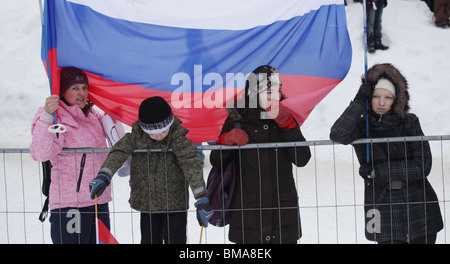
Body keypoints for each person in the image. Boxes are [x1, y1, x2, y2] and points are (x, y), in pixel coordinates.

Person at [330, 63, 443, 244]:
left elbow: (423, 164)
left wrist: (378, 172)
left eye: (388, 97)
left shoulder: (410, 122)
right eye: (375, 96)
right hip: (382, 205)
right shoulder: (361, 127)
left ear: (397, 99)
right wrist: (359, 101)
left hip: (419, 207)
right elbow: (337, 134)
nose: (381, 102)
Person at [89, 96, 212, 244]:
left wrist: (201, 198)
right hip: (147, 204)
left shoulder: (179, 140)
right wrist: (104, 175)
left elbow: (192, 166)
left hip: (175, 205)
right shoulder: (136, 137)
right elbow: (118, 152)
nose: (158, 136)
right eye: (153, 133)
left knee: (176, 240)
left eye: (163, 131)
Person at [210, 65, 311, 244]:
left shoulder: (285, 114)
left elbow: (302, 159)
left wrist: (288, 126)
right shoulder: (237, 117)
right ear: (254, 92)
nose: (275, 96)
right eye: (269, 90)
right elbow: (216, 162)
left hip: (282, 212)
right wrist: (226, 141)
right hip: (248, 213)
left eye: (278, 90)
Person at [30, 67, 112, 244]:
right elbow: (40, 153)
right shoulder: (55, 116)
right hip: (70, 206)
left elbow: (116, 142)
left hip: (98, 202)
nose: (82, 93)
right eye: (75, 88)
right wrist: (46, 116)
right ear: (62, 91)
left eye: (84, 87)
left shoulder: (93, 116)